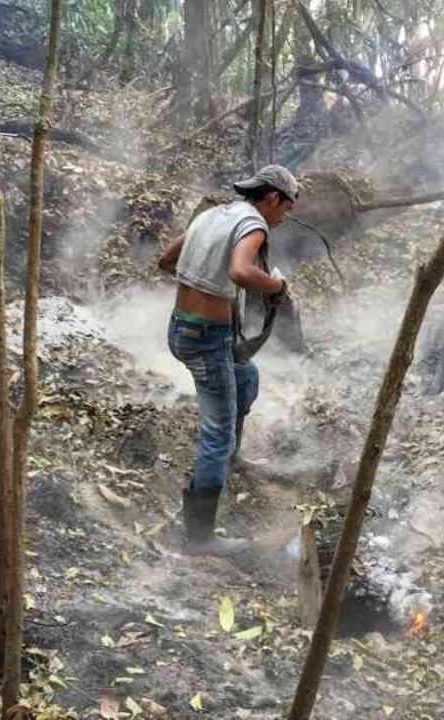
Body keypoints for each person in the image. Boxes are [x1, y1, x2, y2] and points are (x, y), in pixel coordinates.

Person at [156, 166, 298, 556]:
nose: (283, 217)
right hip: (207, 338)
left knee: (246, 376)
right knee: (216, 436)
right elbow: (240, 271)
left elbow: (166, 261)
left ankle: (225, 460)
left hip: (182, 328)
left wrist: (200, 285)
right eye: (286, 208)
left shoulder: (212, 215)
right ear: (273, 198)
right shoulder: (253, 223)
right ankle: (199, 538)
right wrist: (277, 286)